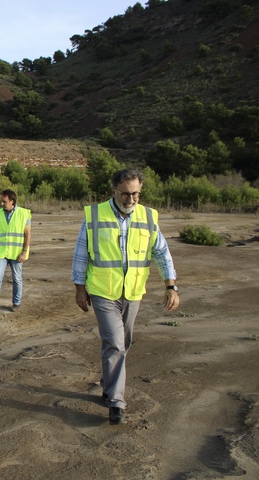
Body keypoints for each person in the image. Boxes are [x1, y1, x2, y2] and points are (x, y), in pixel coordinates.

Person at [71, 168, 180, 425]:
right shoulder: (95, 214)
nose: (130, 200)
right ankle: (116, 402)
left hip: (132, 291)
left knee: (122, 343)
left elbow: (161, 253)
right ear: (114, 192)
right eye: (125, 194)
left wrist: (171, 285)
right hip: (102, 291)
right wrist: (79, 288)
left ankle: (109, 386)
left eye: (135, 195)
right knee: (116, 343)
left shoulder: (148, 217)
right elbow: (81, 253)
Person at [0, 189, 31, 313]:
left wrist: (24, 252)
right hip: (1, 251)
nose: (2, 204)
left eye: (4, 201)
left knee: (17, 278)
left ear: (12, 201)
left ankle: (16, 303)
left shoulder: (23, 214)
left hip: (16, 253)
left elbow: (28, 234)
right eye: (1, 201)